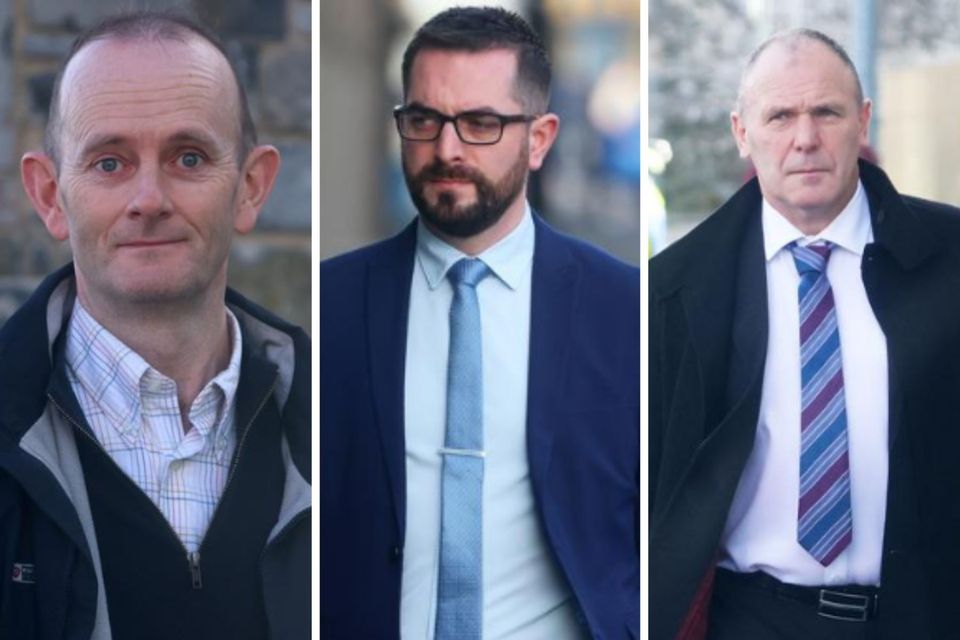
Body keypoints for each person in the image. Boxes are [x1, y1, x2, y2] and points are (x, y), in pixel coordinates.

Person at [320, 7, 639, 639]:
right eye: (423, 120)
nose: (446, 149)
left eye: (480, 124)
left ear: (540, 138)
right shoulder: (332, 303)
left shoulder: (625, 310)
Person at [1, 11, 310, 640]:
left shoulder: (339, 418)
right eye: (110, 163)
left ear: (250, 187)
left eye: (188, 157)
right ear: (49, 195)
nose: (149, 198)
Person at [650, 28, 960, 640]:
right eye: (780, 116)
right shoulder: (675, 290)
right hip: (751, 619)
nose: (805, 139)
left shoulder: (950, 257)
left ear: (863, 120)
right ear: (743, 132)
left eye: (827, 112)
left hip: (924, 614)